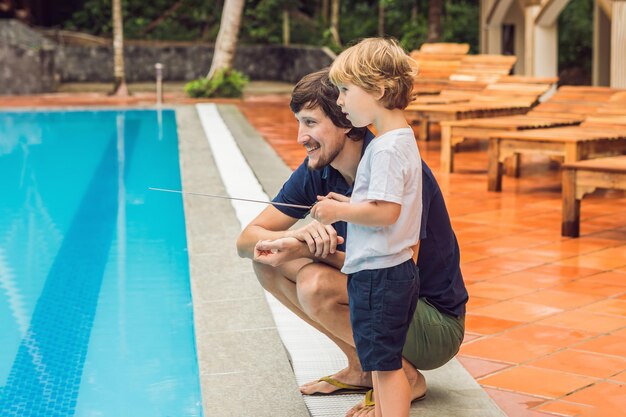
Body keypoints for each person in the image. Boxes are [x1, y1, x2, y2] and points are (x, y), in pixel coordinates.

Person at [236, 67, 468, 417]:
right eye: (299, 122)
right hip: (385, 299)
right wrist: (293, 236)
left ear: (346, 121)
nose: (301, 136)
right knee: (268, 261)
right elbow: (246, 241)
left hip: (432, 321)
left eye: (311, 123)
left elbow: (398, 275)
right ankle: (361, 367)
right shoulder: (319, 169)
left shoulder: (396, 169)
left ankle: (400, 374)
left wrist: (311, 251)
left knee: (316, 283)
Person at [307, 37, 421, 417]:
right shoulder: (397, 140)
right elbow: (381, 206)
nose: (339, 102)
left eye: (344, 91)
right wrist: (348, 204)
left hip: (380, 275)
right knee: (383, 364)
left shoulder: (386, 148)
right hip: (392, 269)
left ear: (378, 90)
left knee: (385, 369)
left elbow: (386, 212)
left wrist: (339, 214)